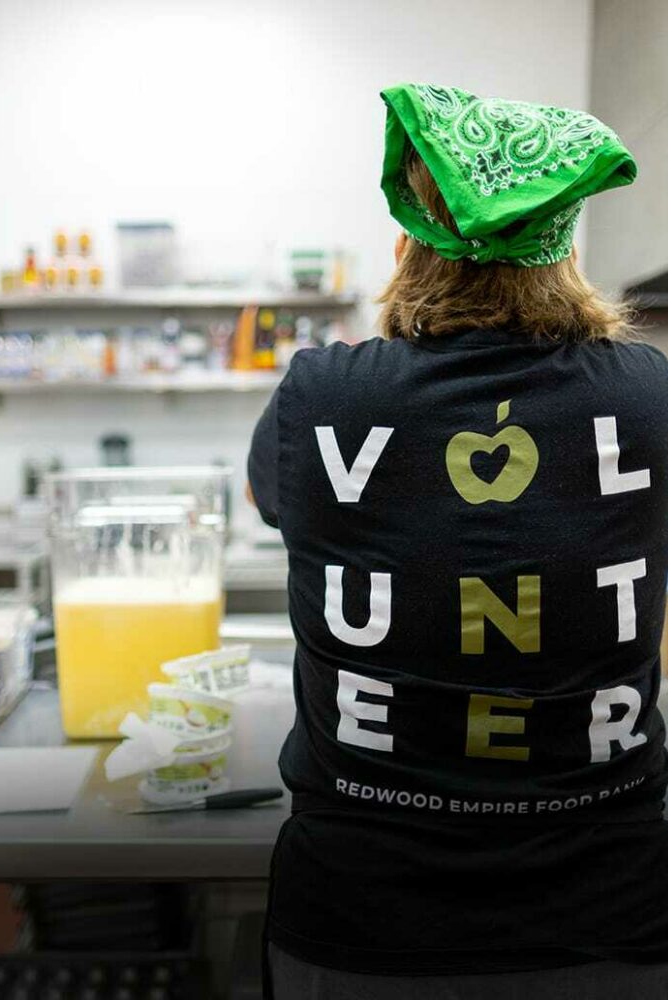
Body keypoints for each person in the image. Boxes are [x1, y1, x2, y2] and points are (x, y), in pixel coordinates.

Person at [248, 83, 668, 999]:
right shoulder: (649, 393)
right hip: (607, 915)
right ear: (566, 253)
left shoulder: (323, 394)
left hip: (363, 918)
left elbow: (274, 501)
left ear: (405, 246)